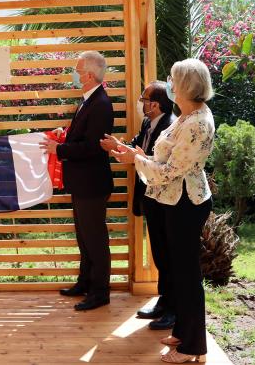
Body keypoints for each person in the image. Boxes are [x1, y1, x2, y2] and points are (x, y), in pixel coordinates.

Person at [110, 58, 215, 363]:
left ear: (184, 85)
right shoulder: (187, 115)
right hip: (173, 200)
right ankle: (184, 331)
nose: (168, 83)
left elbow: (171, 171)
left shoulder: (197, 122)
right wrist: (138, 155)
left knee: (186, 276)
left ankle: (193, 347)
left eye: (172, 78)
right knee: (178, 272)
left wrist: (135, 161)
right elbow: (165, 161)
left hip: (185, 203)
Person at [40, 51, 114, 311]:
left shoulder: (101, 104)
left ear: (90, 75)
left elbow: (93, 147)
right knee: (84, 237)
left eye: (78, 69)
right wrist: (65, 135)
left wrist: (58, 150)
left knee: (95, 239)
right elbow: (81, 136)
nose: (74, 73)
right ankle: (85, 282)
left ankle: (100, 292)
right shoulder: (88, 101)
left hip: (92, 184)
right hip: (83, 184)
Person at [100, 81, 176, 330]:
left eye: (144, 99)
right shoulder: (148, 123)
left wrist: (130, 152)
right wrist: (117, 146)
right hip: (151, 196)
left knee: (167, 254)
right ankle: (164, 301)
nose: (141, 103)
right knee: (160, 254)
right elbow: (136, 150)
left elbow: (152, 160)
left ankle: (174, 309)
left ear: (155, 104)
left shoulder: (170, 125)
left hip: (167, 199)